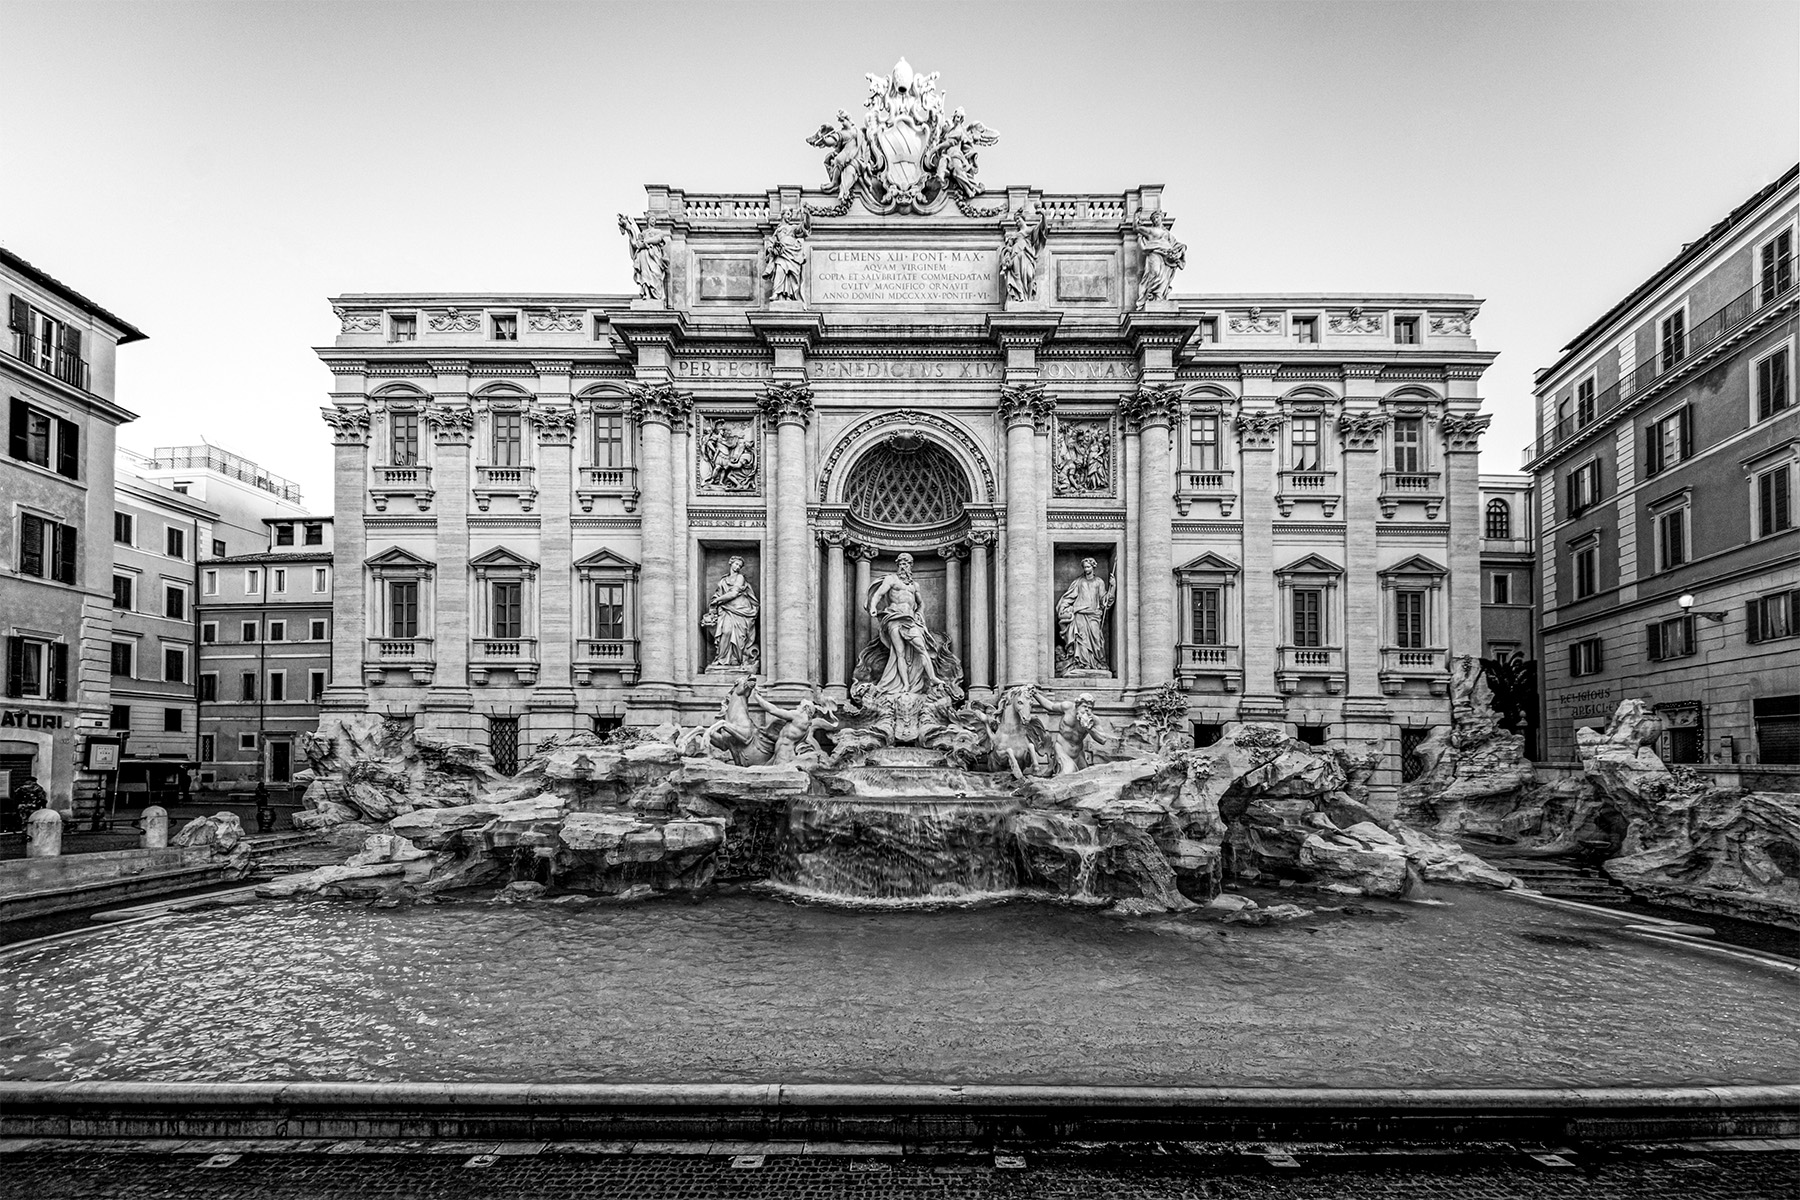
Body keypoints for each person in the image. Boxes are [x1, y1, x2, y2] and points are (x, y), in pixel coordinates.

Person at [867, 552, 942, 695]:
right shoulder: (891, 579)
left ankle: (932, 677)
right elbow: (879, 594)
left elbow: (921, 604)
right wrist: (872, 607)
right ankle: (905, 684)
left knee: (922, 648)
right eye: (901, 564)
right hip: (894, 618)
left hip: (910, 620)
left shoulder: (914, 586)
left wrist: (919, 614)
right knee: (899, 653)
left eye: (906, 564)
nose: (903, 567)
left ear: (910, 566)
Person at [1057, 558, 1116, 672]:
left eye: (1088, 567)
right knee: (1081, 640)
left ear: (1093, 567)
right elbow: (1069, 597)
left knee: (1096, 640)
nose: (1086, 569)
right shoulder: (1078, 582)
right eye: (1084, 567)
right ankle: (1082, 664)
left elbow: (1104, 600)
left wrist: (1112, 587)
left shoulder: (1099, 582)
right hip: (1080, 614)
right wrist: (1065, 608)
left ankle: (1096, 662)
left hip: (1094, 615)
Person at [702, 556, 760, 668]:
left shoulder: (740, 578)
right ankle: (722, 659)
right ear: (730, 563)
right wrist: (715, 604)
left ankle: (735, 660)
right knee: (726, 632)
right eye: (736, 564)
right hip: (726, 610)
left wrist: (717, 600)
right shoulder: (723, 580)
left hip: (741, 611)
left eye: (740, 566)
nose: (737, 567)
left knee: (739, 637)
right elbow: (718, 594)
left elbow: (733, 593)